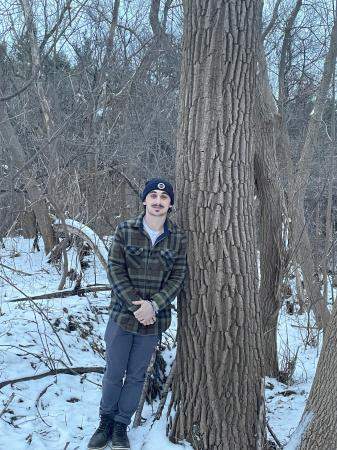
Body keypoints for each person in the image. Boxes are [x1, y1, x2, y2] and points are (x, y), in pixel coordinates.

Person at [88, 178, 188, 450]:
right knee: (114, 372)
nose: (158, 201)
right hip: (122, 315)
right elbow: (115, 271)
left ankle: (121, 426)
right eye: (153, 195)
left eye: (164, 197)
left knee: (136, 376)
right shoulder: (125, 230)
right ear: (144, 200)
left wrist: (153, 305)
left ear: (170, 204)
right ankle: (105, 422)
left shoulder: (178, 237)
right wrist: (138, 306)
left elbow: (178, 277)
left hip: (153, 320)